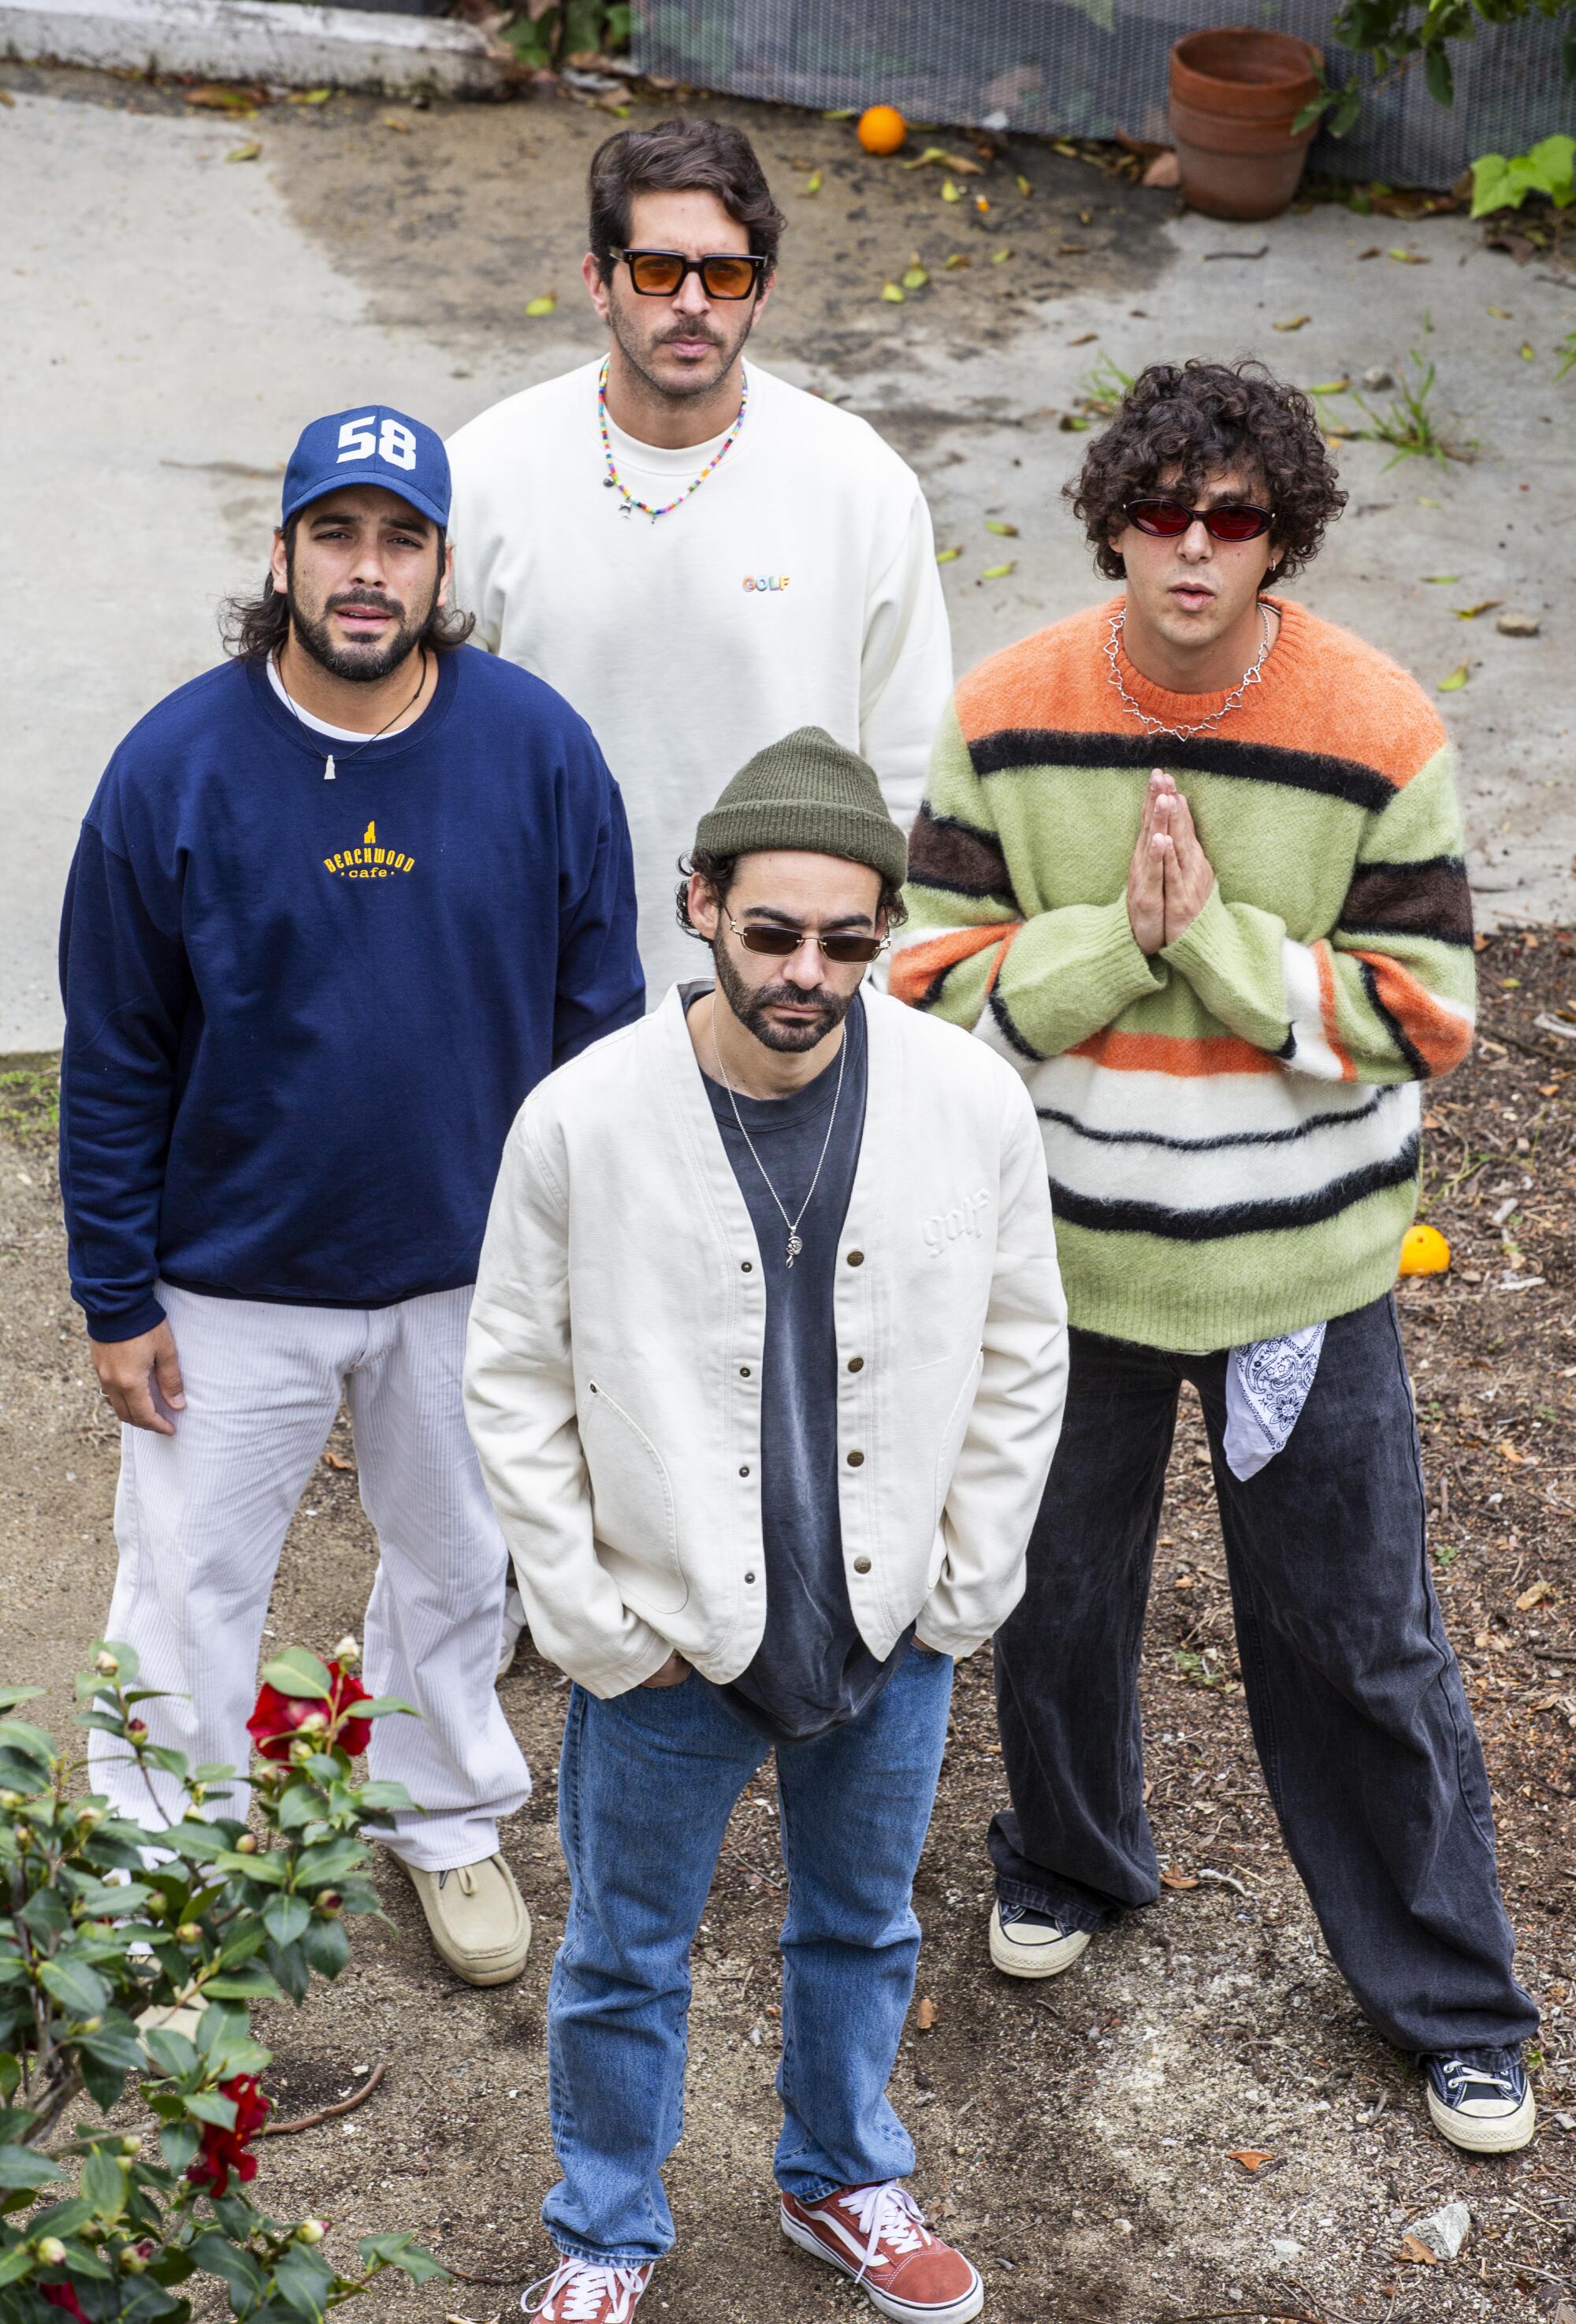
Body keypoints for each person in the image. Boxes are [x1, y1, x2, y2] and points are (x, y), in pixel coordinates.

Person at [894, 358, 1539, 2157]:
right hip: (1065, 1268)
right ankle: (1068, 1860)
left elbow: (1427, 1011)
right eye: (1159, 510)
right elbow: (925, 977)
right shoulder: (1008, 712)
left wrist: (1227, 954)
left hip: (1292, 1283)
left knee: (1350, 1636)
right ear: (1111, 515)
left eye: (1230, 517)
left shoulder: (1373, 724)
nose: (1191, 545)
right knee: (1051, 1603)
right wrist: (1116, 938)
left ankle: (1450, 2000)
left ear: (1280, 536)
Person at [464, 731, 1068, 2324]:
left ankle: (841, 2178)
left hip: (887, 1626)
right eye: (772, 932)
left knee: (861, 1925)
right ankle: (602, 2226)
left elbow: (1022, 1349)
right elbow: (513, 1382)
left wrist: (964, 1584)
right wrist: (595, 1621)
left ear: (885, 932)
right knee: (618, 1956)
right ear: (700, 906)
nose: (807, 971)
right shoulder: (581, 1120)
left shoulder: (968, 1105)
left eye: (847, 939)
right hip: (663, 1639)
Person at [59, 403, 643, 1991]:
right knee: (186, 1577)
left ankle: (438, 1806)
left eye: (400, 539)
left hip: (470, 1270)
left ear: (445, 564)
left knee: (463, 1559)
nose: (366, 570)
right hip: (230, 1278)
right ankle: (161, 1861)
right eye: (337, 534)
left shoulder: (534, 748)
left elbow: (603, 1024)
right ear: (283, 553)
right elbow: (111, 1051)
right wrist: (117, 1292)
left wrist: (585, 1255)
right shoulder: (174, 767)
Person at [446, 115, 953, 1005]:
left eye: (723, 273)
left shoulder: (858, 484)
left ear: (760, 292)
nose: (690, 302)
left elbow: (911, 769)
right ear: (598, 282)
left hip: (787, 1001)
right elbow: (432, 755)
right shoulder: (484, 473)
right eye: (655, 270)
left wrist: (870, 989)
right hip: (536, 988)